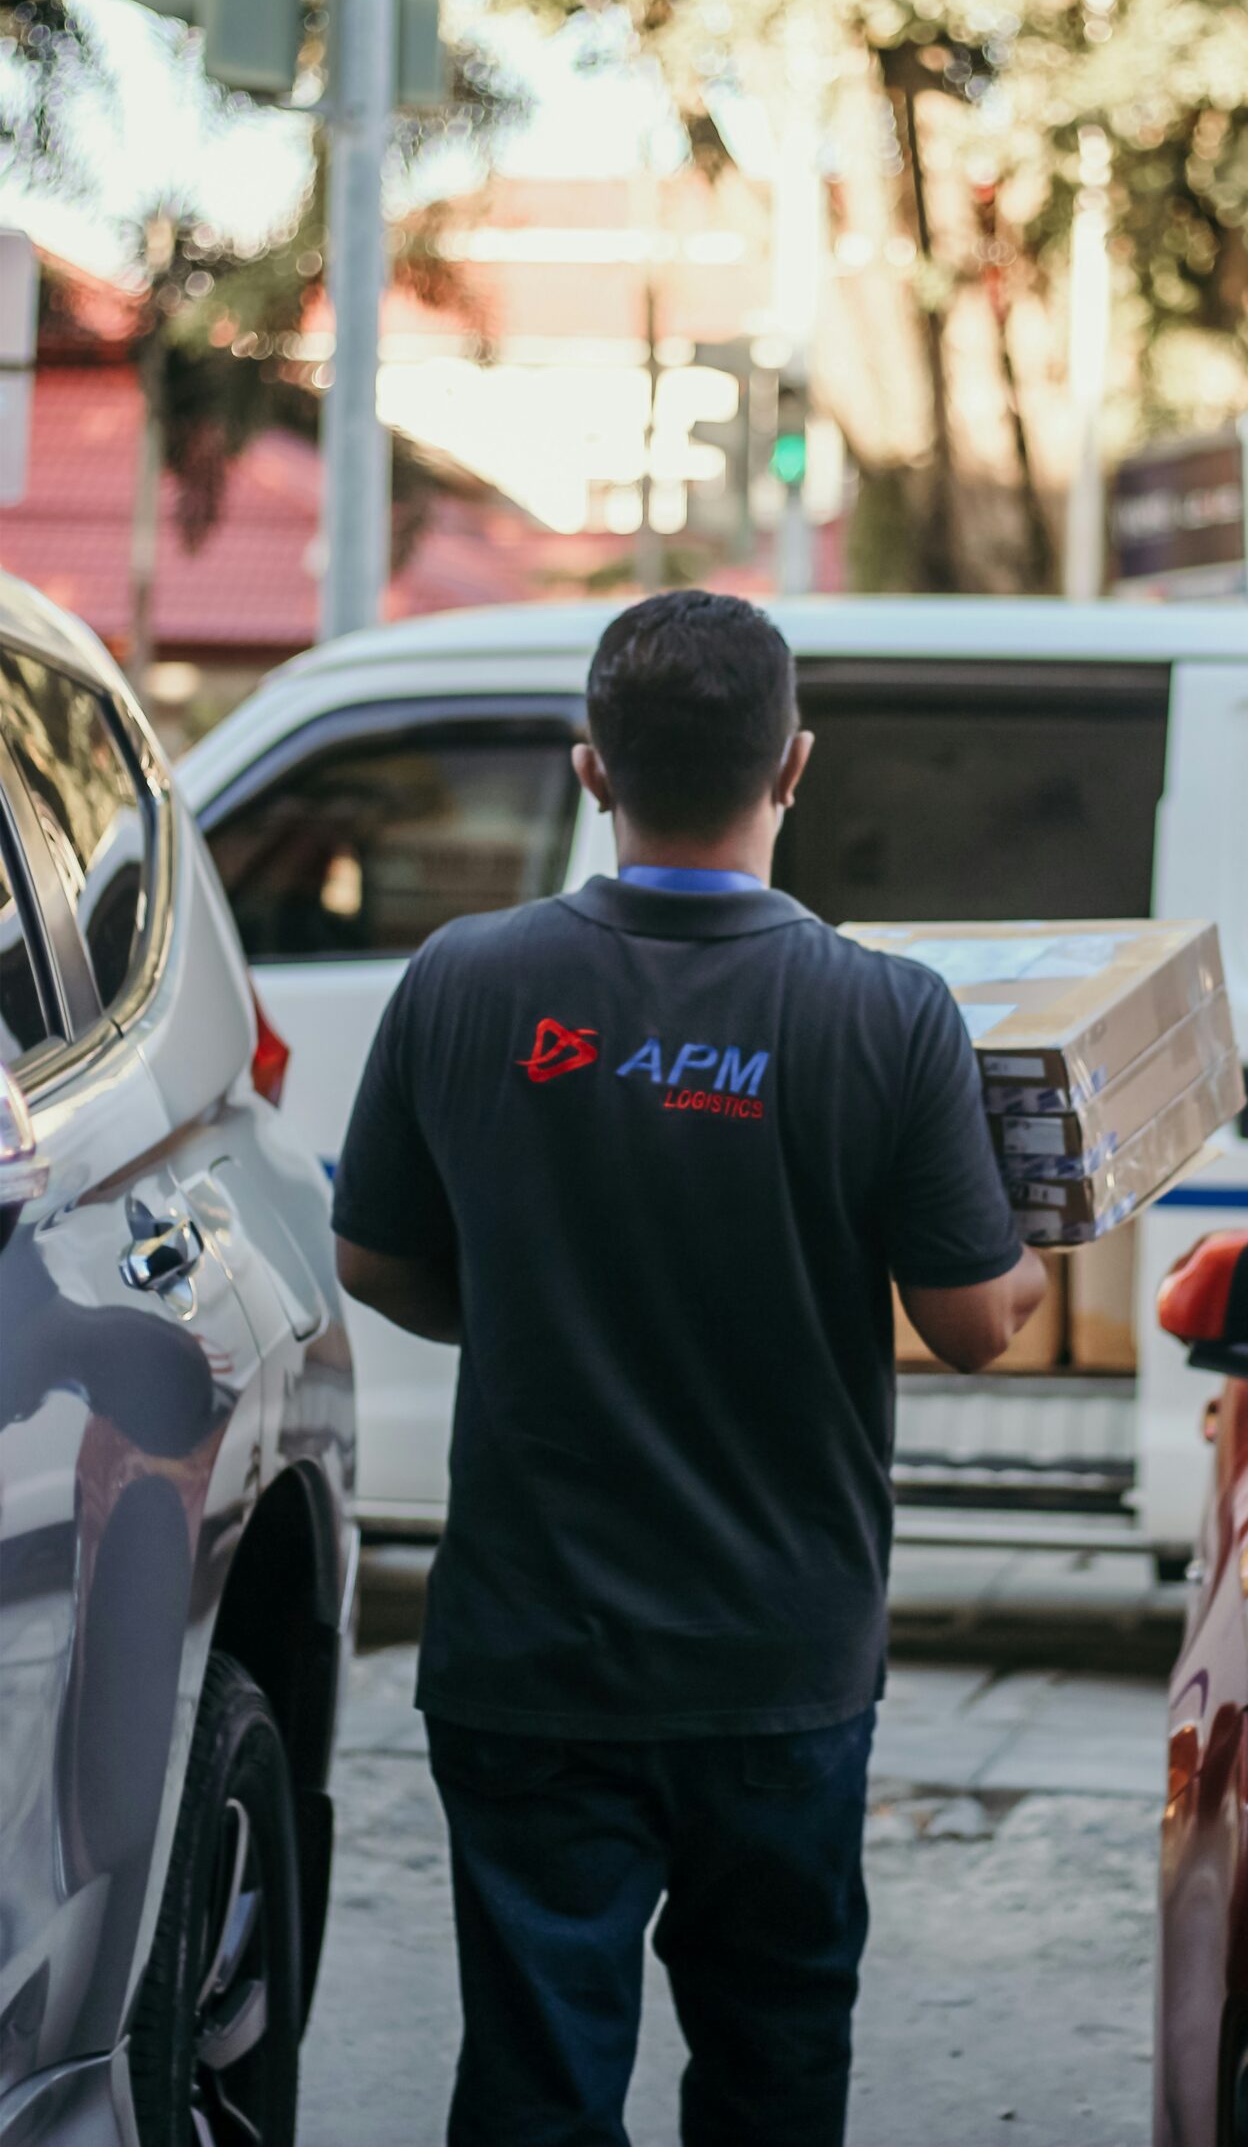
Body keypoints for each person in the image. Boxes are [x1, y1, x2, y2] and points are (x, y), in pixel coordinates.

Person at [333, 589, 1047, 2147]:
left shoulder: (462, 979)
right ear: (794, 766)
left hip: (532, 1654)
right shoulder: (888, 1015)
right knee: (776, 2058)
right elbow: (976, 1321)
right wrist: (1046, 1246)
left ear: (592, 771)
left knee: (535, 2077)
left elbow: (373, 1259)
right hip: (777, 1664)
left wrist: (522, 1301)